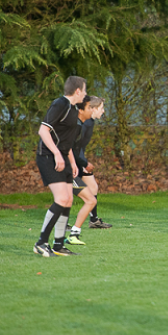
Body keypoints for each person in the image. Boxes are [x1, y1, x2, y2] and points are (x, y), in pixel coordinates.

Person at [33, 76, 87, 257]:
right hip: (48, 157)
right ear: (77, 91)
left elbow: (66, 141)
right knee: (62, 199)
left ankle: (57, 245)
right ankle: (41, 242)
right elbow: (43, 130)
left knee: (68, 200)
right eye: (84, 90)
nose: (86, 94)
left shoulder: (72, 109)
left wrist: (72, 161)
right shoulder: (60, 104)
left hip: (63, 158)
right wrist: (56, 154)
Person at [66, 96, 107, 245]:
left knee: (93, 188)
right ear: (93, 108)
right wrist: (81, 162)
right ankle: (64, 229)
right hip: (73, 161)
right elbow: (71, 146)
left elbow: (79, 146)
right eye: (101, 108)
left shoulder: (89, 122)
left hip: (78, 159)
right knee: (66, 196)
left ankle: (93, 220)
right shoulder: (81, 123)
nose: (103, 111)